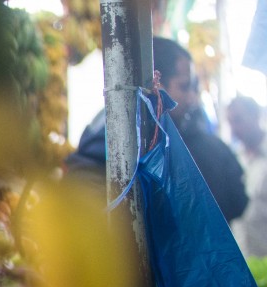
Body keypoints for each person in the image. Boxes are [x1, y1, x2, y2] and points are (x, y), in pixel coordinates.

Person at [66, 37, 248, 224]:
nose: (192, 98)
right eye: (185, 86)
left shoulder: (154, 139)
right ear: (155, 84)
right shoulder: (119, 140)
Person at [228, 95, 267, 258]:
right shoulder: (233, 158)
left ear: (256, 115)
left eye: (239, 120)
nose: (235, 128)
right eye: (231, 123)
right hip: (242, 258)